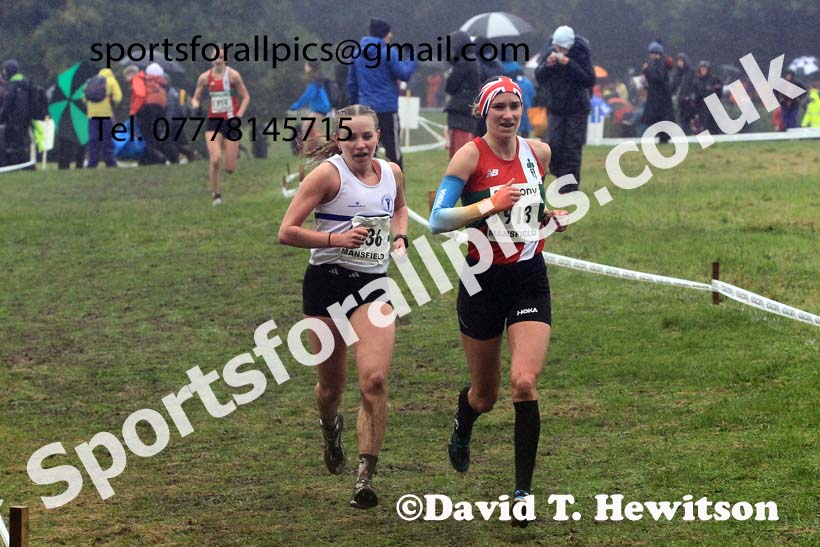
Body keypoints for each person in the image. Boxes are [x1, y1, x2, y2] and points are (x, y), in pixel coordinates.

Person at [428, 76, 568, 528]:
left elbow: (534, 203)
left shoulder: (538, 153)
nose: (508, 115)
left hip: (529, 277)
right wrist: (488, 204)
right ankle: (464, 419)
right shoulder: (470, 156)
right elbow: (437, 220)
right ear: (484, 112)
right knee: (485, 396)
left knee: (524, 383)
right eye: (499, 108)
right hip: (481, 280)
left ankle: (523, 492)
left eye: (515, 106)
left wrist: (550, 216)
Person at [278, 104, 408, 510]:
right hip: (325, 287)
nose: (360, 143)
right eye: (350, 136)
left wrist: (400, 237)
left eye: (367, 136)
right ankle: (329, 427)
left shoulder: (392, 173)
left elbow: (400, 209)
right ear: (338, 139)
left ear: (378, 137)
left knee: (374, 381)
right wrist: (336, 241)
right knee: (331, 387)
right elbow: (287, 232)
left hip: (372, 286)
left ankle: (365, 476)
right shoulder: (326, 175)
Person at [347, 18, 416, 169]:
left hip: (366, 111)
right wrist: (412, 57)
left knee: (368, 151)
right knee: (393, 151)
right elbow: (403, 74)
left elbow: (352, 84)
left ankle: (368, 186)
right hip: (387, 109)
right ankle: (397, 188)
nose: (391, 36)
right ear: (383, 34)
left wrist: (354, 107)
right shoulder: (388, 52)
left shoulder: (357, 53)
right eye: (389, 33)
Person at [534, 25, 595, 193]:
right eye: (557, 47)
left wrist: (570, 64)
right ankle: (560, 177)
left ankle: (570, 188)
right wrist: (548, 65)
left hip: (577, 108)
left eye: (562, 48)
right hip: (556, 108)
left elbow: (589, 79)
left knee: (572, 148)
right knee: (553, 146)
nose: (559, 50)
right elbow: (539, 76)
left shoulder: (581, 54)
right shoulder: (549, 52)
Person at [192, 47, 250, 205]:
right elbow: (195, 98)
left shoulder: (233, 76)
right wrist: (196, 106)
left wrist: (239, 115)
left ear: (225, 59)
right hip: (214, 122)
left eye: (221, 57)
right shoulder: (204, 78)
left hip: (231, 121)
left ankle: (229, 150)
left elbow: (245, 97)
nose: (218, 60)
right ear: (211, 59)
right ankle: (216, 195)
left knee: (230, 168)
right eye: (215, 56)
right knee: (215, 159)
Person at [443, 31, 479, 158]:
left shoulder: (464, 63)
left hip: (460, 111)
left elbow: (450, 86)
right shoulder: (471, 60)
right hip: (467, 110)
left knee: (459, 153)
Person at [290, 60, 332, 155]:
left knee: (315, 133)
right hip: (320, 109)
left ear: (310, 67)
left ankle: (334, 147)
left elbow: (308, 95)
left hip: (320, 109)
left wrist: (296, 105)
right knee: (306, 128)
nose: (305, 66)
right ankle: (308, 152)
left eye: (306, 64)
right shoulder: (317, 78)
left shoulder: (314, 79)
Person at [85, 68, 122, 168]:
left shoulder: (91, 81)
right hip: (106, 113)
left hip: (92, 114)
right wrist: (113, 104)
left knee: (93, 138)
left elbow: (84, 98)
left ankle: (92, 162)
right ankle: (110, 162)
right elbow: (118, 97)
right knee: (107, 138)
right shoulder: (111, 81)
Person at [0, 60, 34, 167]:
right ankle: (27, 164)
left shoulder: (12, 85)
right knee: (24, 143)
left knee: (14, 146)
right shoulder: (27, 82)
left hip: (13, 120)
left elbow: (7, 104)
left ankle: (17, 164)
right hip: (27, 119)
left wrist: (2, 118)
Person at [641, 41, 675, 143]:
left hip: (660, 97)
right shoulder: (657, 63)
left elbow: (658, 78)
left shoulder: (660, 64)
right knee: (657, 118)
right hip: (657, 95)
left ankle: (664, 137)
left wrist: (647, 71)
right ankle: (661, 136)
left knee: (660, 117)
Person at [503, 61, 535, 138]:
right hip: (526, 107)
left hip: (513, 107)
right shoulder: (528, 82)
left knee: (513, 125)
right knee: (525, 126)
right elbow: (533, 95)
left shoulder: (510, 84)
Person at [692, 61, 723, 134]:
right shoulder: (696, 80)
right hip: (701, 106)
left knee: (714, 124)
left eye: (705, 69)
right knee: (704, 124)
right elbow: (693, 92)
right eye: (702, 69)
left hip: (713, 105)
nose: (703, 70)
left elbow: (720, 88)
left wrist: (713, 89)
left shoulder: (714, 78)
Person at [670, 53, 696, 134]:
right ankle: (684, 133)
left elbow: (694, 85)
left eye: (681, 61)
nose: (680, 62)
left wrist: (691, 96)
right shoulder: (676, 73)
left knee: (689, 118)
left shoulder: (691, 72)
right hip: (679, 99)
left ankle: (688, 132)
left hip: (689, 99)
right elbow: (673, 86)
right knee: (681, 118)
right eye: (678, 61)